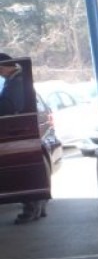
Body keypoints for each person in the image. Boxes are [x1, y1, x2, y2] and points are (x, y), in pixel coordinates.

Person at [0, 52, 47, 223]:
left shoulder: (16, 83)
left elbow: (7, 107)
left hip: (15, 131)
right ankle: (38, 206)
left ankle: (31, 208)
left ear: (4, 67)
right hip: (19, 130)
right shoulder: (15, 82)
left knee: (22, 172)